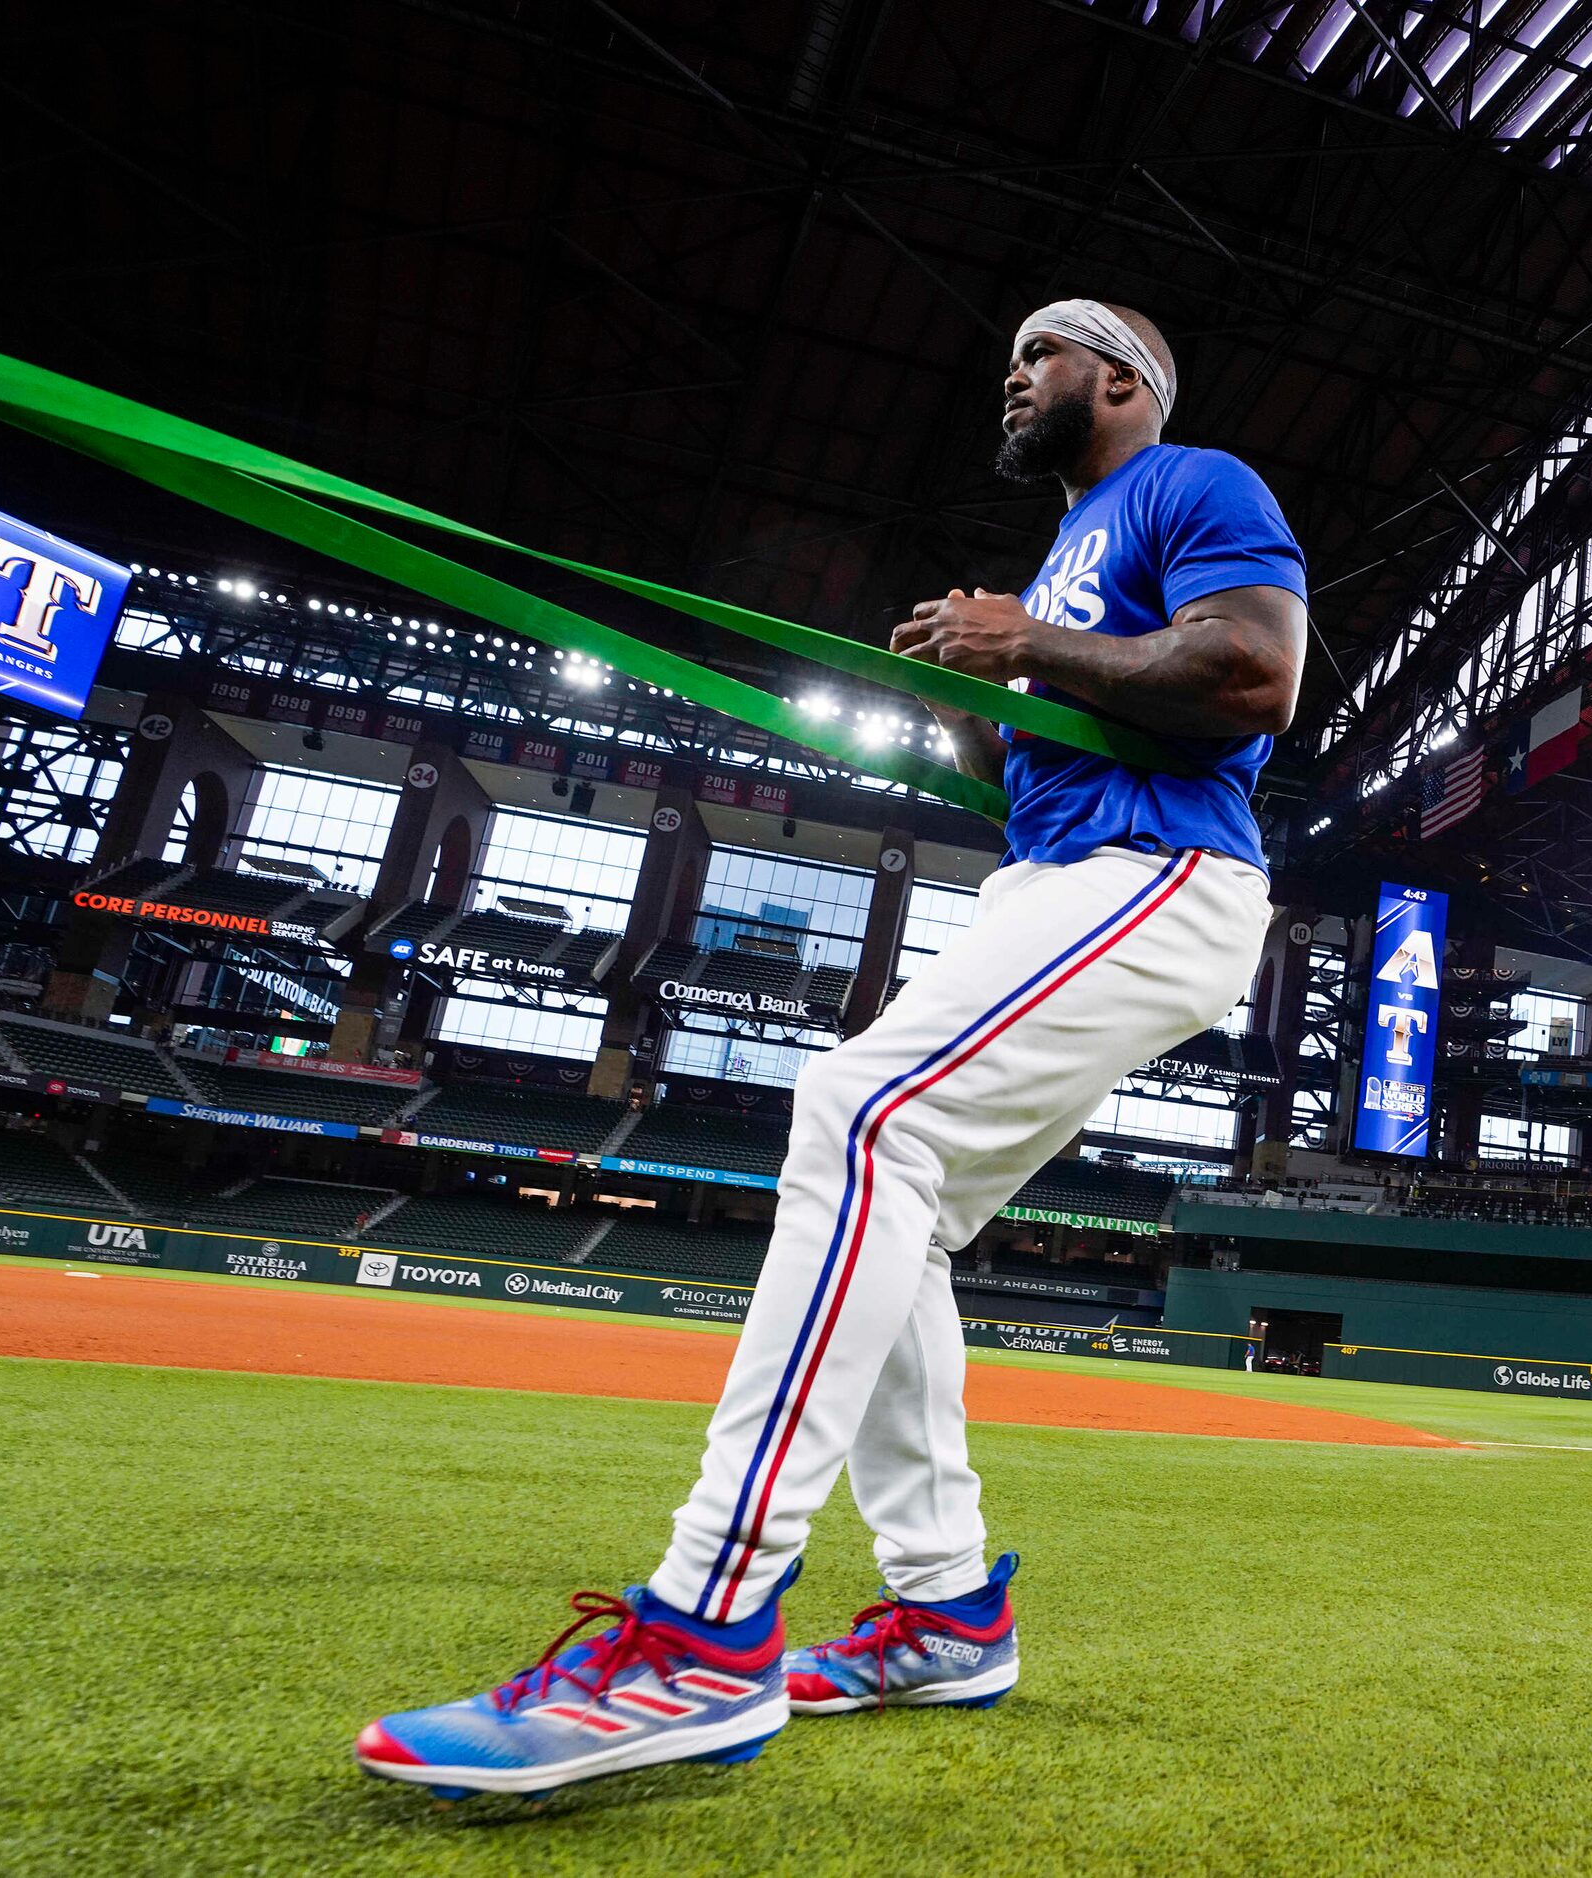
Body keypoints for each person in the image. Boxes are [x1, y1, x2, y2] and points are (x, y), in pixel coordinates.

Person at [355, 300, 1303, 1801]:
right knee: (898, 1212)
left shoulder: (1195, 484)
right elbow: (1064, 735)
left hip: (1163, 869)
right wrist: (981, 695)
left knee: (860, 1114)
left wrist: (1029, 639)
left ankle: (706, 1630)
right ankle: (942, 1611)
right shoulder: (1069, 545)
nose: (1012, 375)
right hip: (1063, 873)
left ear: (1119, 380)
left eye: (1039, 354)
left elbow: (1254, 678)